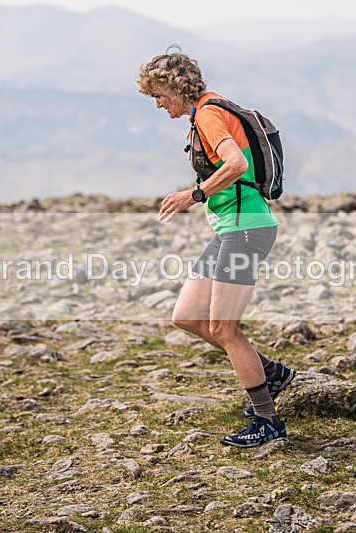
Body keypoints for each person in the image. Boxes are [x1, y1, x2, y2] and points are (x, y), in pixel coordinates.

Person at [137, 50, 296, 448]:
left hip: (246, 229)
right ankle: (269, 373)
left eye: (158, 95)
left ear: (175, 87)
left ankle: (267, 421)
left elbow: (235, 165)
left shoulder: (208, 114)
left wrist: (193, 195)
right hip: (230, 228)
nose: (158, 104)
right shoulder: (206, 110)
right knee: (187, 316)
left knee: (224, 328)